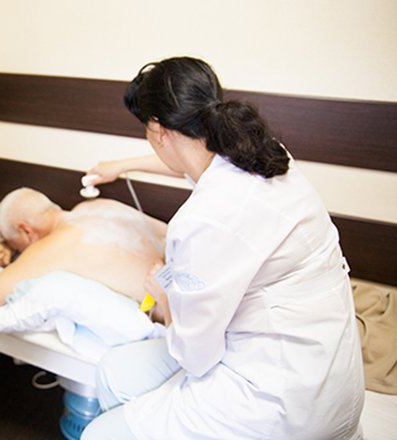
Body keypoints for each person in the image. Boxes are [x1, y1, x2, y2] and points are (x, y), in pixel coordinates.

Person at [80, 57, 364, 439]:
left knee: (98, 434)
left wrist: (165, 302)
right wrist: (122, 165)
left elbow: (195, 357)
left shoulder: (202, 221)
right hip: (329, 373)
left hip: (279, 401)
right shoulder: (266, 155)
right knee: (114, 371)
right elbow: (189, 161)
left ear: (158, 129)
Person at [0, 187, 167, 316]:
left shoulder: (53, 245)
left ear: (27, 231)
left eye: (18, 248)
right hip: (181, 281)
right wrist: (8, 244)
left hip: (173, 316)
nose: (21, 253)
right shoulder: (96, 206)